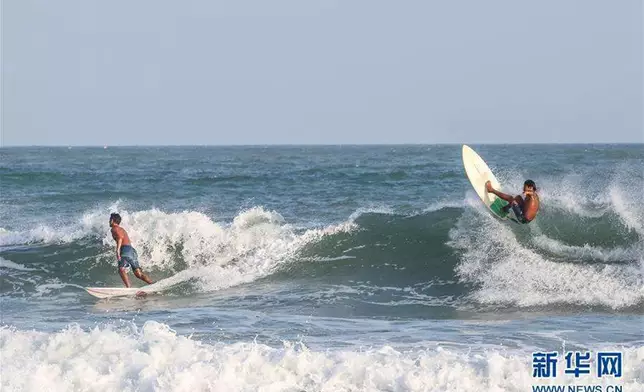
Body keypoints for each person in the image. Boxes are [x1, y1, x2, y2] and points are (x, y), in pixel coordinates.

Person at [109, 213, 154, 287]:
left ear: (113, 220)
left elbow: (120, 238)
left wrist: (117, 251)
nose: (109, 221)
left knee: (121, 269)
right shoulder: (121, 229)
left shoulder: (115, 228)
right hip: (131, 251)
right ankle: (151, 284)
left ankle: (128, 287)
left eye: (110, 219)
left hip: (125, 250)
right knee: (138, 273)